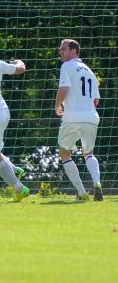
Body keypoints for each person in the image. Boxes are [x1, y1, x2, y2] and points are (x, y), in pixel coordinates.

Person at [55, 39, 102, 201]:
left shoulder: (67, 66)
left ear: (73, 51)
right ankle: (97, 183)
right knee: (88, 153)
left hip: (73, 117)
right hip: (91, 117)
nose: (60, 52)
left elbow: (63, 89)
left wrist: (57, 105)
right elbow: (96, 101)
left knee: (64, 153)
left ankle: (82, 193)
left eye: (63, 49)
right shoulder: (90, 72)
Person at [0, 56, 29, 201]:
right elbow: (21, 68)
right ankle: (14, 171)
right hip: (2, 110)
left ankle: (18, 187)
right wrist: (18, 61)